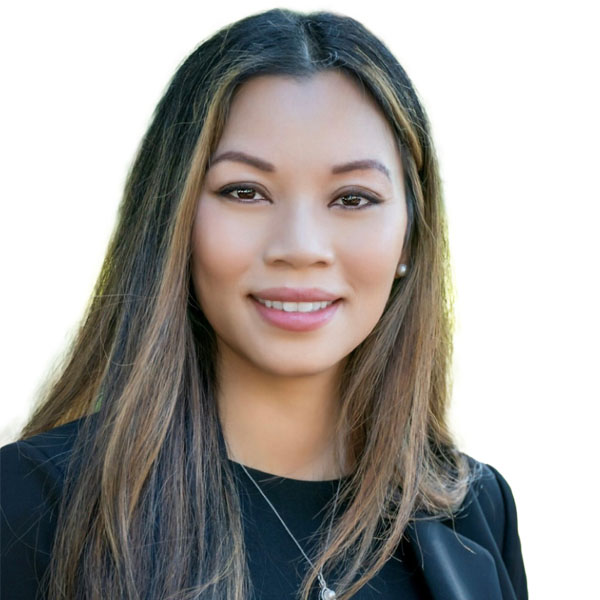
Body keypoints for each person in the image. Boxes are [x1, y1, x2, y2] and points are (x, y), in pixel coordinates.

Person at [0, 8, 527, 600]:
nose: (300, 248)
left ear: (410, 235)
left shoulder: (475, 514)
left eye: (353, 198)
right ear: (175, 220)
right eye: (245, 192)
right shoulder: (30, 503)